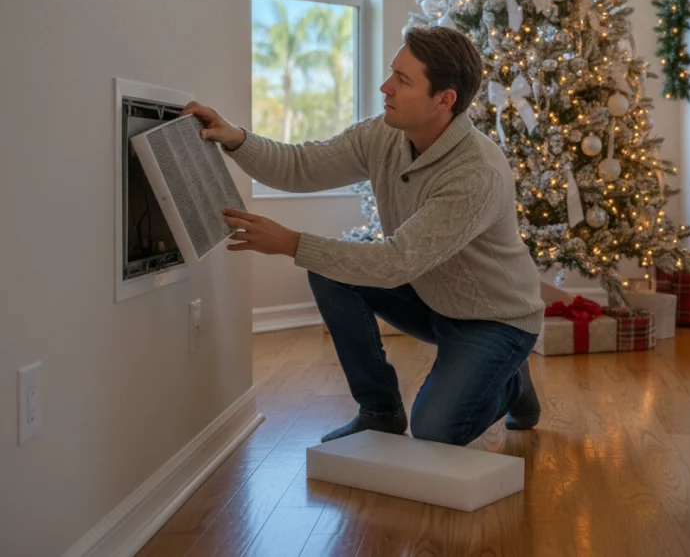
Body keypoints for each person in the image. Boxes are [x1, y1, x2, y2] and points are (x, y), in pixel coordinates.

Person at [183, 26, 544, 446]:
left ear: (444, 100)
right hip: (432, 299)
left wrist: (291, 243)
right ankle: (380, 412)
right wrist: (236, 138)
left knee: (436, 430)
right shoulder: (383, 134)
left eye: (403, 81)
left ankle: (510, 377)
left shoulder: (475, 173)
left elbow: (395, 263)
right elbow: (301, 166)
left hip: (493, 318)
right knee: (329, 271)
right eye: (393, 73)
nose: (385, 87)